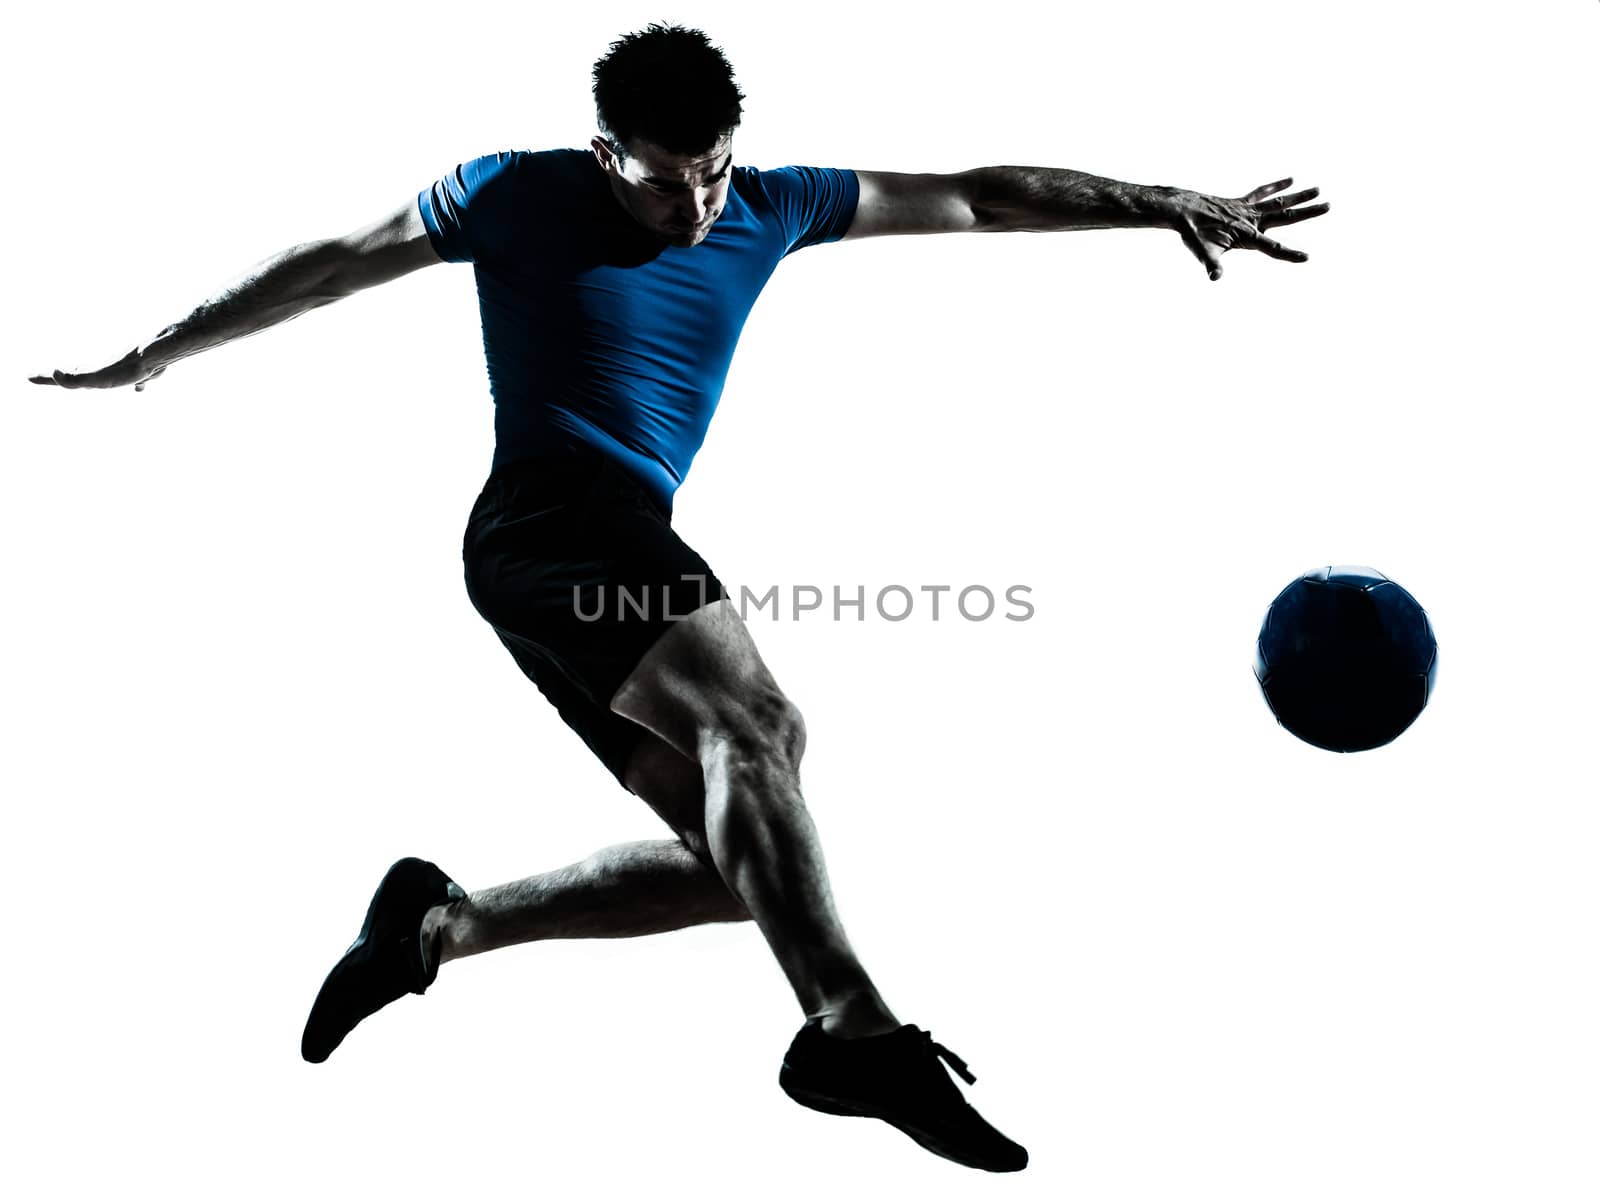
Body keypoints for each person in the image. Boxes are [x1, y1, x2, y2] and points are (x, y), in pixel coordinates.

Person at [29, 23, 1326, 1173]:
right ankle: (851, 1034)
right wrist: (151, 356)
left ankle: (436, 926)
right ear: (606, 155)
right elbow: (328, 265)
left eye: (711, 170)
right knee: (760, 732)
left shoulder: (774, 202)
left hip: (569, 549)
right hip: (552, 514)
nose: (696, 205)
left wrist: (1161, 200)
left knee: (741, 859)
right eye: (663, 181)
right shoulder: (508, 194)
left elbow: (980, 198)